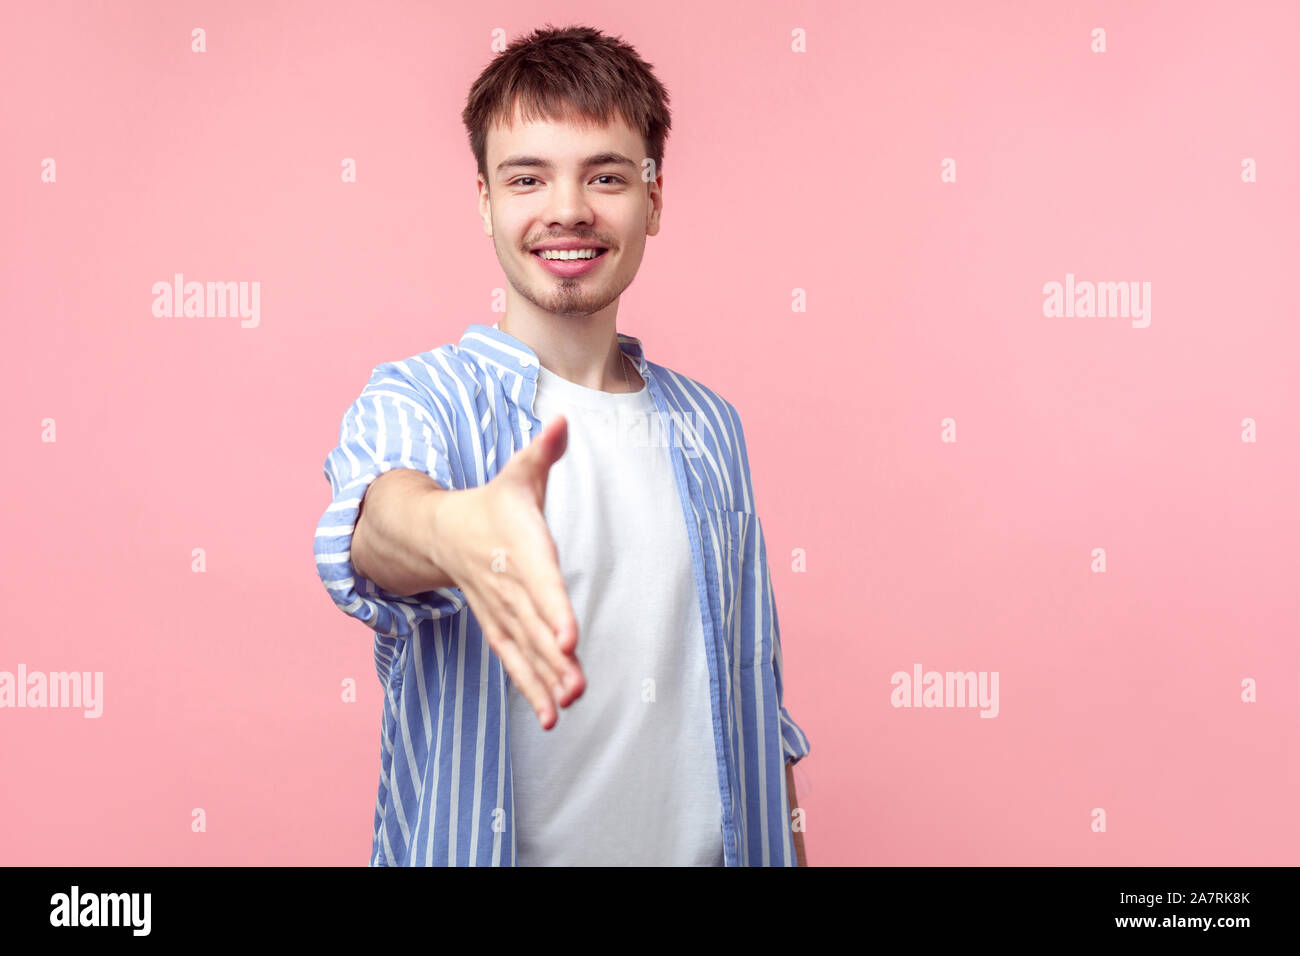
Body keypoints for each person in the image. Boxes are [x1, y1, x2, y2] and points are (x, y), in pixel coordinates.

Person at [313, 23, 810, 866]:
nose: (569, 209)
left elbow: (756, 704)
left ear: (653, 198)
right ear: (485, 201)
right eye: (528, 177)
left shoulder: (711, 428)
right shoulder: (420, 398)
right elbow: (376, 526)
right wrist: (453, 533)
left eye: (606, 176)